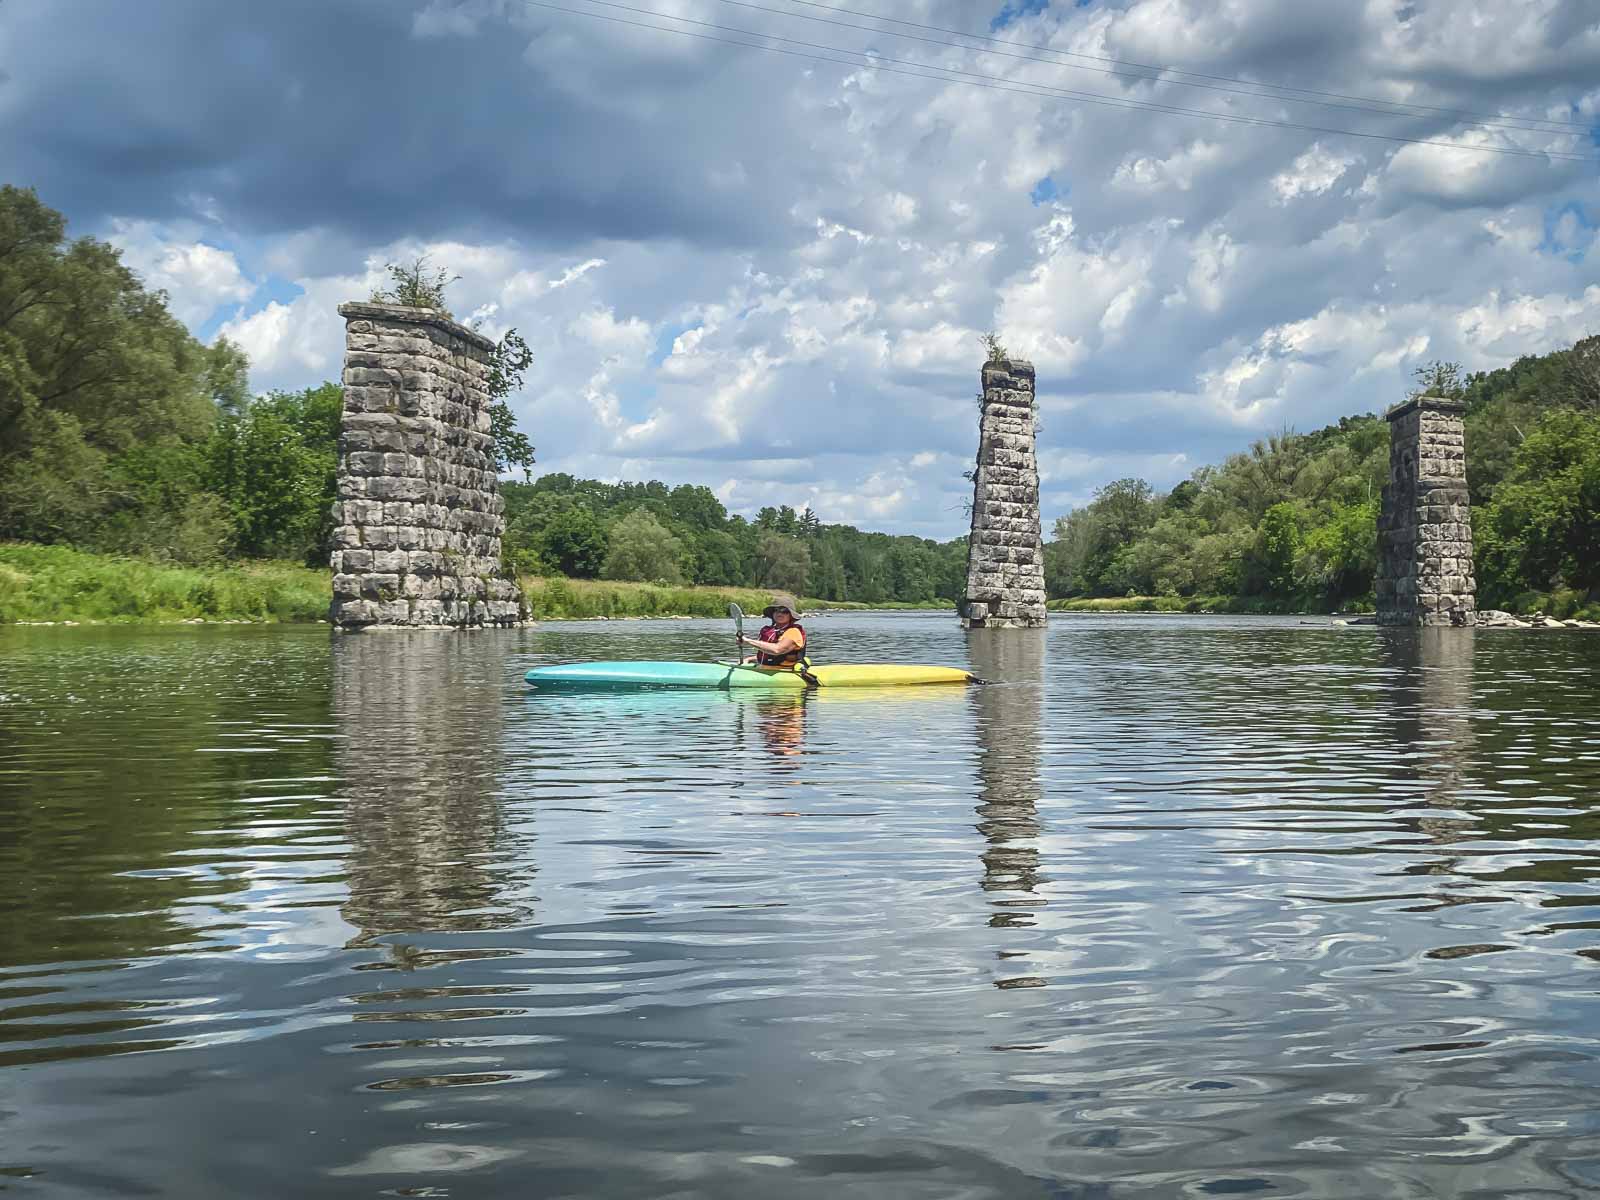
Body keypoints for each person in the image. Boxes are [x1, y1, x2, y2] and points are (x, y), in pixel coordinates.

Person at [739, 592, 808, 669]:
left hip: (784, 671)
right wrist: (749, 659)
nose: (780, 614)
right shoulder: (773, 631)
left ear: (791, 615)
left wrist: (748, 641)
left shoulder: (793, 632)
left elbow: (777, 650)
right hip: (765, 668)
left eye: (784, 611)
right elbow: (770, 655)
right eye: (776, 610)